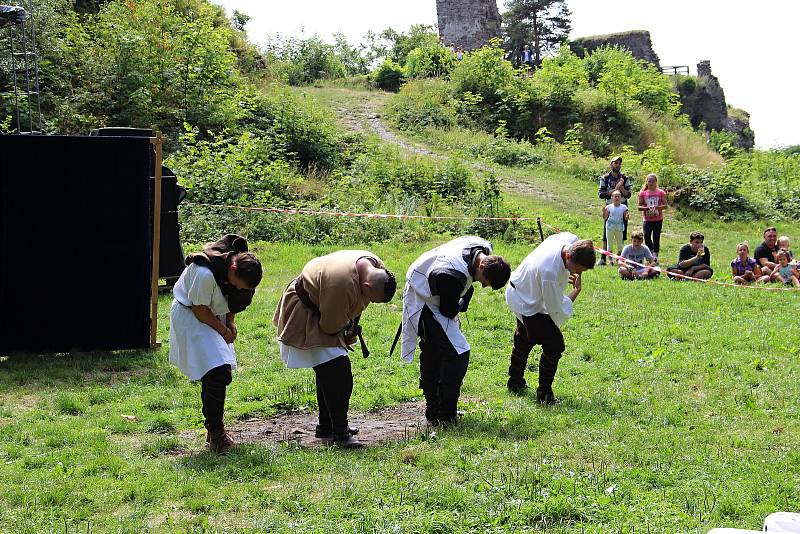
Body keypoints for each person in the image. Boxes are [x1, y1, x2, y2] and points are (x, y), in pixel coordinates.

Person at [273, 250, 396, 449]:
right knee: (338, 373)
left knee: (330, 371)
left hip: (323, 305)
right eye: (372, 299)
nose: (370, 303)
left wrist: (351, 326)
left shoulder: (373, 265)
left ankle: (327, 426)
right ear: (366, 285)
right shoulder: (341, 284)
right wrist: (344, 328)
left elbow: (356, 303)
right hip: (306, 312)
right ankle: (340, 434)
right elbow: (329, 326)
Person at [400, 236, 510, 425]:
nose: (483, 285)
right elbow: (448, 310)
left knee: (437, 350)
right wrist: (462, 301)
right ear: (482, 266)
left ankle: (436, 410)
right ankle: (444, 414)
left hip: (440, 290)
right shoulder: (450, 275)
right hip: (424, 297)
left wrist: (463, 297)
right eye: (485, 281)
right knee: (456, 353)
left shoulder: (483, 250)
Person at [169, 234, 263, 454]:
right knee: (218, 371)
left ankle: (213, 431)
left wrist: (230, 322)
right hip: (192, 315)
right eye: (241, 286)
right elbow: (200, 309)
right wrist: (223, 330)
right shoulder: (204, 274)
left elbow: (231, 298)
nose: (242, 291)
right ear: (232, 270)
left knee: (216, 373)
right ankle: (217, 433)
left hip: (212, 314)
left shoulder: (239, 271)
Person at [505, 233, 595, 403]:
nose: (576, 273)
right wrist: (576, 291)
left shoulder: (568, 240)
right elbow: (555, 310)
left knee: (525, 338)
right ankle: (544, 395)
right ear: (569, 256)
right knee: (555, 344)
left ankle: (515, 382)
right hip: (524, 300)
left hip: (522, 288)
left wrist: (576, 271)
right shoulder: (549, 272)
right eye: (577, 269)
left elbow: (574, 238)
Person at [598, 156, 632, 265]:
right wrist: (615, 189)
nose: (617, 165)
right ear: (611, 164)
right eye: (615, 163)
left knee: (621, 233)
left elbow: (629, 194)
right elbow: (601, 194)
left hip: (622, 209)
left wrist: (621, 187)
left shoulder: (625, 178)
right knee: (606, 233)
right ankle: (603, 258)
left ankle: (620, 258)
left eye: (619, 163)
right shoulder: (606, 178)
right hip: (610, 208)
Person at [637, 173, 667, 262]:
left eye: (653, 181)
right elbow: (639, 207)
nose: (651, 183)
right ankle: (650, 251)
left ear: (656, 182)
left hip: (658, 219)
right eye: (649, 181)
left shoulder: (661, 192)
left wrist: (657, 207)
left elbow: (665, 205)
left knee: (656, 237)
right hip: (647, 219)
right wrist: (647, 208)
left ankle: (655, 256)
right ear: (646, 182)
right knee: (646, 236)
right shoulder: (643, 193)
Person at [603, 190, 628, 264]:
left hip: (619, 228)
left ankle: (618, 258)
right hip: (610, 227)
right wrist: (604, 213)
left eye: (618, 196)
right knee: (609, 244)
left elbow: (626, 217)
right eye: (615, 196)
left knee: (620, 244)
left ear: (621, 198)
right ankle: (610, 260)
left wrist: (627, 216)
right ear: (612, 198)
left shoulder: (624, 207)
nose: (617, 198)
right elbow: (605, 217)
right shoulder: (608, 207)